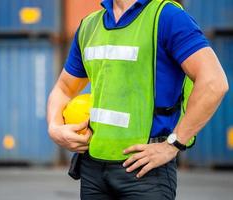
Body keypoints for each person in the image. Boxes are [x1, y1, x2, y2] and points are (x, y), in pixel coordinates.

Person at [47, 0, 229, 199]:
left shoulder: (167, 17)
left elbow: (214, 82)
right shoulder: (89, 25)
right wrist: (54, 127)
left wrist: (172, 145)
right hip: (93, 170)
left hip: (145, 172)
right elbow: (64, 88)